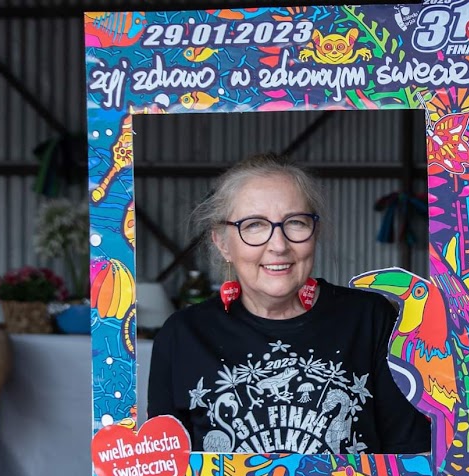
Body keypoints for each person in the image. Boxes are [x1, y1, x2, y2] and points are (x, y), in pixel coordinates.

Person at [147, 153, 430, 455]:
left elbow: (410, 456)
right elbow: (164, 467)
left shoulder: (369, 319)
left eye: (295, 222)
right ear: (222, 243)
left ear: (314, 232)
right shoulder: (183, 335)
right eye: (254, 225)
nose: (279, 245)